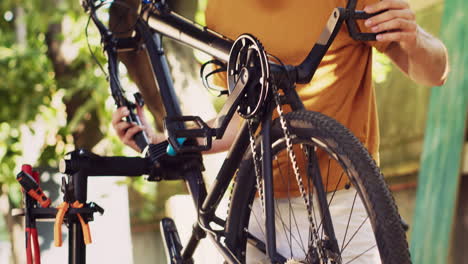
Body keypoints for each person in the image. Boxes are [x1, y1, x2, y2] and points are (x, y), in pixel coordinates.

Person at [111, 0, 448, 262]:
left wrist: (416, 40)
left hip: (343, 205)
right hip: (258, 209)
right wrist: (159, 142)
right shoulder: (221, 9)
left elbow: (436, 72)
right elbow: (239, 122)